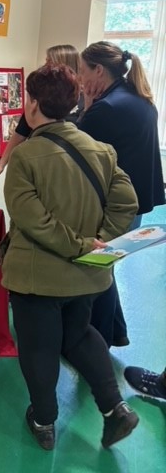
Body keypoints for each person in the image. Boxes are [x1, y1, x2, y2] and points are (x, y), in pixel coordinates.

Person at [1, 63, 139, 450]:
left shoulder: (26, 157)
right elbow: (127, 201)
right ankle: (115, 410)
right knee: (78, 335)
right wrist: (101, 240)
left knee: (39, 348)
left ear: (31, 106)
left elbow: (32, 220)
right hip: (87, 278)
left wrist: (80, 244)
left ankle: (44, 421)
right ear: (75, 103)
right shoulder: (102, 151)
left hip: (37, 278)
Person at [78, 41, 165, 348]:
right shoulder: (140, 99)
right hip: (137, 204)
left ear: (99, 70)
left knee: (96, 271)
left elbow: (74, 146)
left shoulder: (107, 108)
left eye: (82, 71)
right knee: (105, 265)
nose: (80, 80)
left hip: (117, 207)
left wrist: (87, 108)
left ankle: (97, 343)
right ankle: (116, 332)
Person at [0, 44, 81, 185]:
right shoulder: (40, 95)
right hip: (39, 160)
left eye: (50, 61)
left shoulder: (81, 100)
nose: (45, 66)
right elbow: (20, 132)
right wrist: (1, 164)